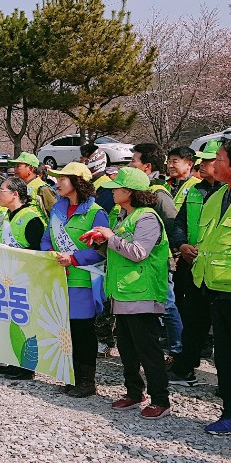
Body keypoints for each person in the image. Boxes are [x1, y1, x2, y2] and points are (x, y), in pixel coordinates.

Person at [91, 166, 171, 419]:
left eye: (117, 188)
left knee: (148, 350)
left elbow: (138, 252)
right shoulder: (124, 215)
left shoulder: (147, 217)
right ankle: (134, 393)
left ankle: (161, 400)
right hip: (123, 293)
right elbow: (118, 250)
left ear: (130, 192)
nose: (112, 192)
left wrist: (110, 237)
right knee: (127, 348)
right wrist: (101, 242)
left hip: (142, 294)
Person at [42, 162, 110, 397]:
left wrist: (73, 258)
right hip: (58, 278)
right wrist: (50, 254)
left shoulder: (96, 213)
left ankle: (86, 381)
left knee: (82, 330)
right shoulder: (57, 209)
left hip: (83, 280)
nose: (57, 183)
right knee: (66, 330)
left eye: (63, 179)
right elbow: (46, 238)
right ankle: (71, 376)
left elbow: (101, 250)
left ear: (78, 182)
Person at [170, 139, 225, 387]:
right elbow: (180, 222)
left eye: (209, 160)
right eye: (200, 161)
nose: (201, 165)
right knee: (192, 318)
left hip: (220, 272)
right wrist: (182, 245)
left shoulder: (224, 193)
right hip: (192, 265)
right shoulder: (195, 190)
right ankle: (185, 367)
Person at [187, 140, 231, 434]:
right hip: (215, 288)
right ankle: (229, 412)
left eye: (219, 159)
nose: (214, 164)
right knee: (224, 356)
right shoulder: (218, 196)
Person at [130, 142, 182, 362]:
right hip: (143, 261)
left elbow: (172, 224)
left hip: (159, 261)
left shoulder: (158, 194)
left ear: (147, 167)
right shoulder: (140, 191)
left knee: (167, 305)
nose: (130, 165)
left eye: (134, 161)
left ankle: (177, 352)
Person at [0, 177, 46, 380]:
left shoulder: (31, 218)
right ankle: (14, 360)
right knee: (13, 322)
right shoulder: (8, 215)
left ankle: (27, 366)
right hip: (11, 278)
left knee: (27, 323)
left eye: (2, 190)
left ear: (15, 194)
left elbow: (39, 251)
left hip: (27, 279)